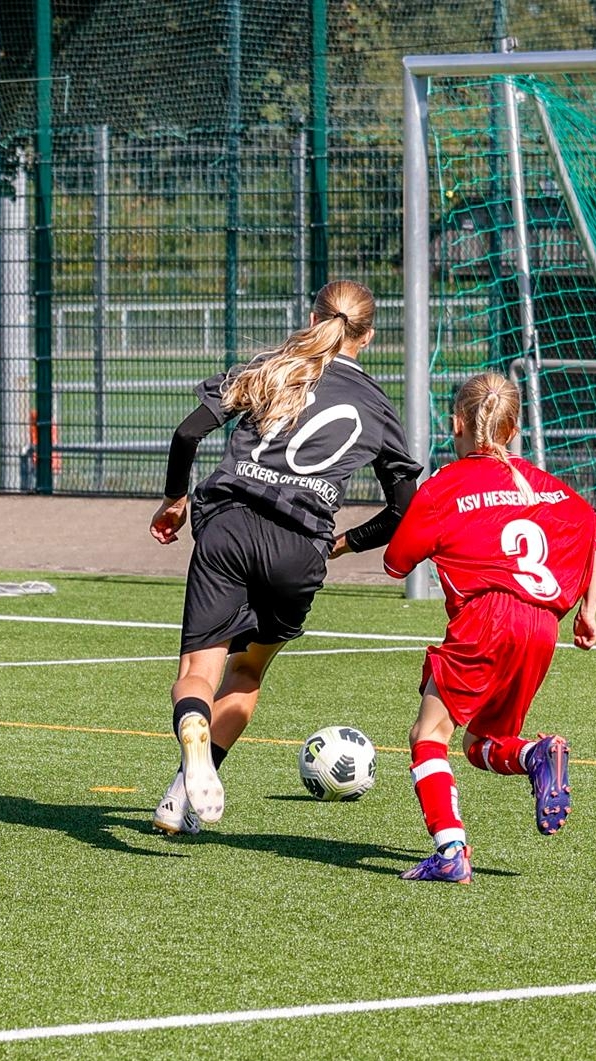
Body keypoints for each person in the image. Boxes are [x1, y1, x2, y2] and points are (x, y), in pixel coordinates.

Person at [148, 280, 422, 836]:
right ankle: (179, 799)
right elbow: (403, 509)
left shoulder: (270, 367)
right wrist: (346, 542)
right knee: (247, 670)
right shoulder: (376, 404)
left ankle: (192, 733)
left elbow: (187, 433)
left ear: (313, 317)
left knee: (199, 673)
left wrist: (175, 500)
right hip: (299, 549)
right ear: (367, 336)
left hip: (227, 531)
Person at [384, 372, 596, 884]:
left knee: (428, 735)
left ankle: (450, 851)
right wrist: (588, 611)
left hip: (486, 617)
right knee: (482, 743)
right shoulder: (545, 485)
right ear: (514, 429)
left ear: (456, 425)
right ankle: (535, 754)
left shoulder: (445, 486)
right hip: (542, 626)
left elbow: (397, 562)